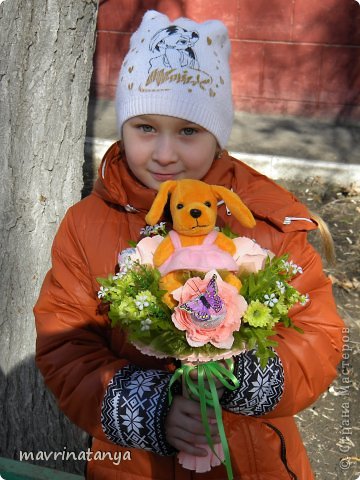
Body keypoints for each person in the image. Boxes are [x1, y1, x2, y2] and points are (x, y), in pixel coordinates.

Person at [34, 10, 344, 480]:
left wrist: (241, 376)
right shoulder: (87, 225)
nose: (164, 154)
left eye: (188, 131)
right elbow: (67, 344)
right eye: (145, 127)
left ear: (217, 135)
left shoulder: (260, 221)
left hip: (253, 458)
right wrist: (149, 408)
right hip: (137, 467)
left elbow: (317, 335)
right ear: (122, 125)